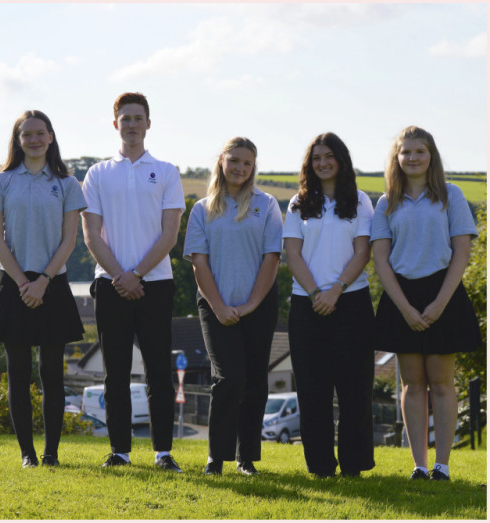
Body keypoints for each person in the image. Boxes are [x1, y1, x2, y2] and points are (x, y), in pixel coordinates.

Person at [81, 93, 185, 471]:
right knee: (116, 373)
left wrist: (136, 274)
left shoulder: (168, 171)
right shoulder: (97, 174)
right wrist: (120, 277)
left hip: (155, 284)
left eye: (138, 118)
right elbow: (91, 235)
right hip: (109, 285)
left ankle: (162, 453)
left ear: (148, 123)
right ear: (115, 124)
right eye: (125, 118)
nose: (132, 124)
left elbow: (170, 234)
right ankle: (120, 452)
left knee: (159, 371)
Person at [371, 126, 480, 481]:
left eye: (420, 151)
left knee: (443, 383)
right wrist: (405, 308)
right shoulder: (387, 201)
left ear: (431, 156)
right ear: (397, 158)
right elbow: (381, 261)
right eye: (406, 152)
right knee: (412, 384)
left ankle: (442, 466)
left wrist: (438, 304)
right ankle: (418, 465)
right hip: (401, 296)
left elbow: (462, 252)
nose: (413, 158)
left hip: (443, 292)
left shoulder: (451, 194)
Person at [0, 110, 86, 468]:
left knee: (52, 375)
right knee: (19, 375)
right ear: (18, 140)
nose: (34, 140)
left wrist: (43, 282)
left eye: (41, 133)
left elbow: (70, 240)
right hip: (14, 283)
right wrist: (25, 283)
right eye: (27, 134)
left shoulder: (68, 184)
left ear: (51, 137)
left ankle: (51, 454)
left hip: (52, 282)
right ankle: (27, 455)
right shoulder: (0, 181)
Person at [183, 137, 282, 476]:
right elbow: (198, 262)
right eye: (234, 161)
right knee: (229, 378)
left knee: (255, 381)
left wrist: (253, 303)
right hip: (215, 305)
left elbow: (273, 257)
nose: (240, 168)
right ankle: (216, 456)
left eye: (247, 163)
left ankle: (246, 458)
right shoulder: (203, 208)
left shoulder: (267, 205)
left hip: (260, 304)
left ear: (254, 168)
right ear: (222, 162)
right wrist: (220, 306)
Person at [283, 132, 375, 478]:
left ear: (341, 160)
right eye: (316, 158)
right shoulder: (297, 202)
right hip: (307, 305)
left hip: (351, 302)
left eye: (328, 156)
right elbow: (292, 253)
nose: (322, 163)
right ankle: (320, 467)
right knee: (312, 391)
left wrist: (335, 290)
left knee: (355, 389)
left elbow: (363, 251)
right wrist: (315, 293)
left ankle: (354, 466)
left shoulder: (362, 201)